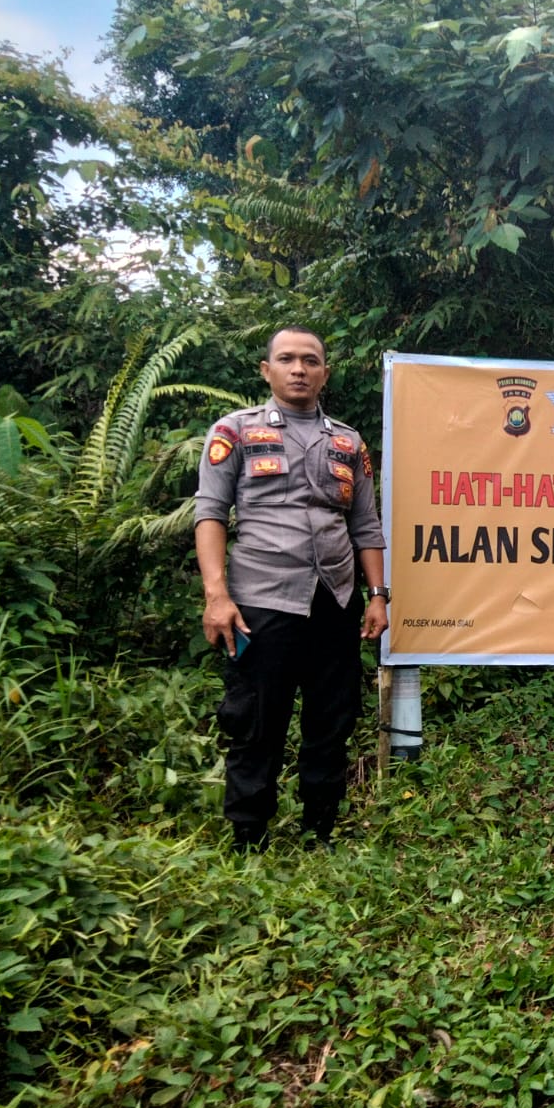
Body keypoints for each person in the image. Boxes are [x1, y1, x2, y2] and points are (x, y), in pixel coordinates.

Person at [194, 327, 389, 851]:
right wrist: (217, 596)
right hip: (261, 598)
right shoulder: (234, 431)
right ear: (267, 370)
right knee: (257, 720)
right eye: (287, 359)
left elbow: (367, 527)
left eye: (310, 360)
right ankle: (248, 835)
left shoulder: (348, 442)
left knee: (332, 718)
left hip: (336, 601)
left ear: (325, 372)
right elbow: (210, 513)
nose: (298, 369)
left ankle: (319, 828)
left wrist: (377, 595)